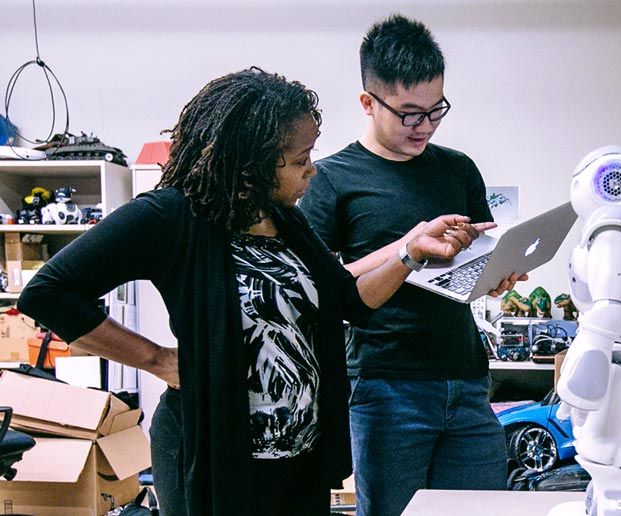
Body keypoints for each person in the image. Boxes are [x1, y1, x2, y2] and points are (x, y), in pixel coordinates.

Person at [16, 67, 494, 516]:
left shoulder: (286, 220)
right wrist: (158, 359)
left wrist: (411, 254)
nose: (312, 170)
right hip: (215, 452)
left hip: (295, 457)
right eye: (300, 160)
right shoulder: (173, 217)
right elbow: (49, 293)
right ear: (252, 164)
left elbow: (349, 299)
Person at [299, 15, 523, 516]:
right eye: (408, 114)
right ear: (368, 103)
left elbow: (473, 262)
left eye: (435, 110)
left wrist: (496, 275)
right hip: (384, 386)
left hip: (466, 378)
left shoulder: (458, 168)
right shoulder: (331, 180)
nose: (424, 126)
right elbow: (318, 287)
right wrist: (408, 248)